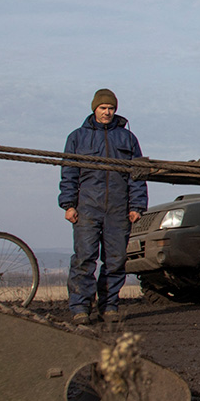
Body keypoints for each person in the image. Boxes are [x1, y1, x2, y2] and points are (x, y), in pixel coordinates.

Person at [59, 88, 148, 325]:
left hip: (118, 208)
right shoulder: (77, 137)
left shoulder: (128, 139)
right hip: (87, 207)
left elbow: (137, 176)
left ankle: (109, 305)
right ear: (94, 109)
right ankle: (80, 307)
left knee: (116, 259)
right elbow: (69, 173)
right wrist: (68, 205)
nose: (107, 112)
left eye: (111, 109)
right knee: (84, 258)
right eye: (103, 108)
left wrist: (137, 206)